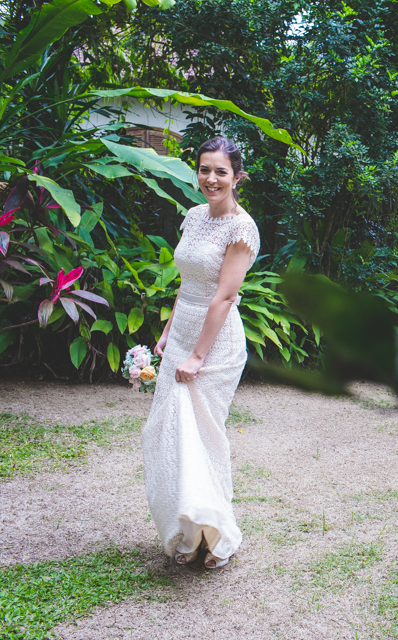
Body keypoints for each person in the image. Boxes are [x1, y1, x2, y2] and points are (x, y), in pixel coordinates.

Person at [142, 136, 260, 569]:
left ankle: (220, 535)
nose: (211, 179)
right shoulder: (193, 217)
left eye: (221, 171)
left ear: (236, 176)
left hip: (217, 344)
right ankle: (189, 535)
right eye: (204, 169)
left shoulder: (242, 228)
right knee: (171, 437)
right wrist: (171, 333)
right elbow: (188, 283)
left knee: (202, 438)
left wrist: (196, 356)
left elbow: (223, 298)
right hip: (184, 334)